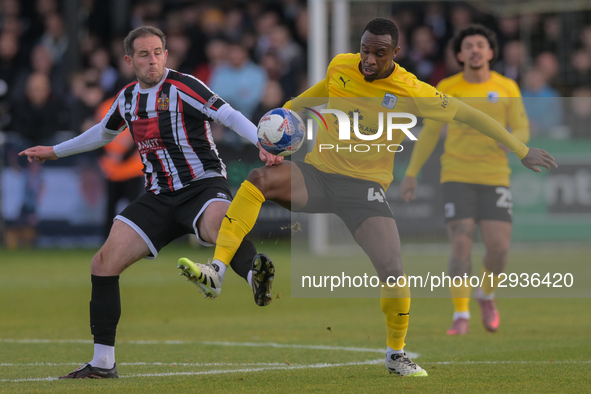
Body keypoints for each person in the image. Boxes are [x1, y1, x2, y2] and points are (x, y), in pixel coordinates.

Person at [179, 18, 557, 377]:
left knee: (392, 269)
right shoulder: (342, 66)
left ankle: (396, 354)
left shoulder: (413, 91)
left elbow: (471, 116)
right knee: (259, 179)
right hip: (318, 175)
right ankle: (217, 271)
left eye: (379, 53)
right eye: (364, 50)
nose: (369, 60)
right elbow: (305, 100)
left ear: (396, 52)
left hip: (364, 190)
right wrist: (270, 131)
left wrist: (520, 149)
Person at [18, 25, 283, 379]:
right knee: (103, 263)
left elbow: (228, 115)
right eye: (144, 54)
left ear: (166, 55)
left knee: (220, 226)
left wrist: (261, 142)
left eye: (158, 52)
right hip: (158, 196)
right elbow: (103, 133)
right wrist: (55, 151)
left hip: (201, 185)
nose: (153, 60)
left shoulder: (182, 86)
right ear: (130, 60)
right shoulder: (127, 98)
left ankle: (255, 276)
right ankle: (102, 363)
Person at [400, 25, 530, 336]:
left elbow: (522, 127)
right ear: (459, 55)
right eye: (468, 45)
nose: (474, 50)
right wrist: (411, 173)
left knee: (499, 250)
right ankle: (461, 314)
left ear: (490, 53)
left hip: (495, 175)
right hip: (456, 174)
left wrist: (512, 140)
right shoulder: (447, 86)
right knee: (461, 242)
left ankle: (486, 295)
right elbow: (430, 132)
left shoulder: (508, 86)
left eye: (480, 45)